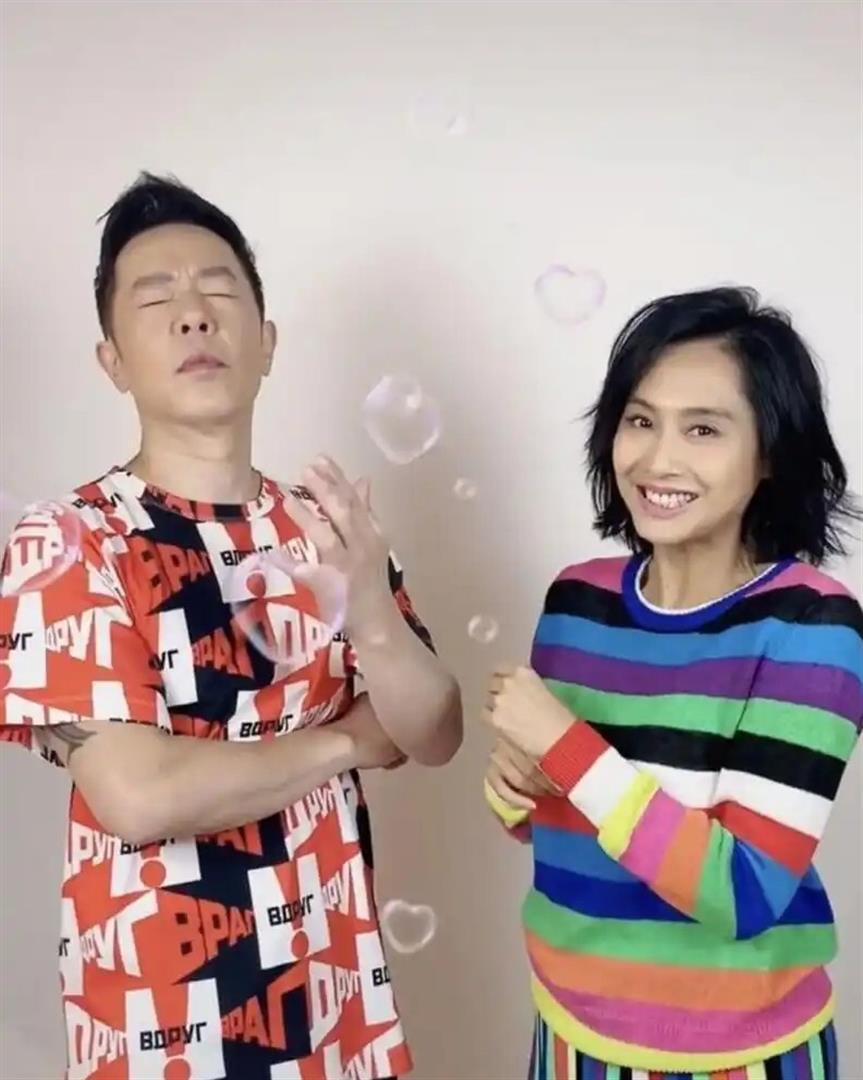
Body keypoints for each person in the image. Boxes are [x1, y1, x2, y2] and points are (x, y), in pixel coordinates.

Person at [0, 173, 463, 1080]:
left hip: (339, 1007)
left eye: (218, 290)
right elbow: (139, 795)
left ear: (267, 342)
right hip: (167, 1021)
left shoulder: (325, 528)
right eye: (155, 300)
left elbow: (433, 730)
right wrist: (346, 741)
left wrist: (372, 612)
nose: (192, 316)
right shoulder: (66, 541)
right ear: (112, 362)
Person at [482, 287, 861, 1080]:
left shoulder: (813, 626)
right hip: (570, 1033)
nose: (657, 460)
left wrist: (562, 745)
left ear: (769, 453)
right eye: (639, 420)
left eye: (703, 429)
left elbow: (742, 893)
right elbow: (562, 821)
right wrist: (514, 786)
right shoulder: (576, 600)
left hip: (741, 1054)